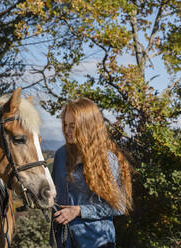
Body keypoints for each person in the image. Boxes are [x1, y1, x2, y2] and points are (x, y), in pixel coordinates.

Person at [50, 98, 133, 248]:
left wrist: (80, 211)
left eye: (72, 126)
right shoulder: (60, 155)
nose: (66, 131)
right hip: (62, 241)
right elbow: (54, 196)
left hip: (96, 241)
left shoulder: (107, 159)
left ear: (87, 126)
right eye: (65, 125)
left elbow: (119, 205)